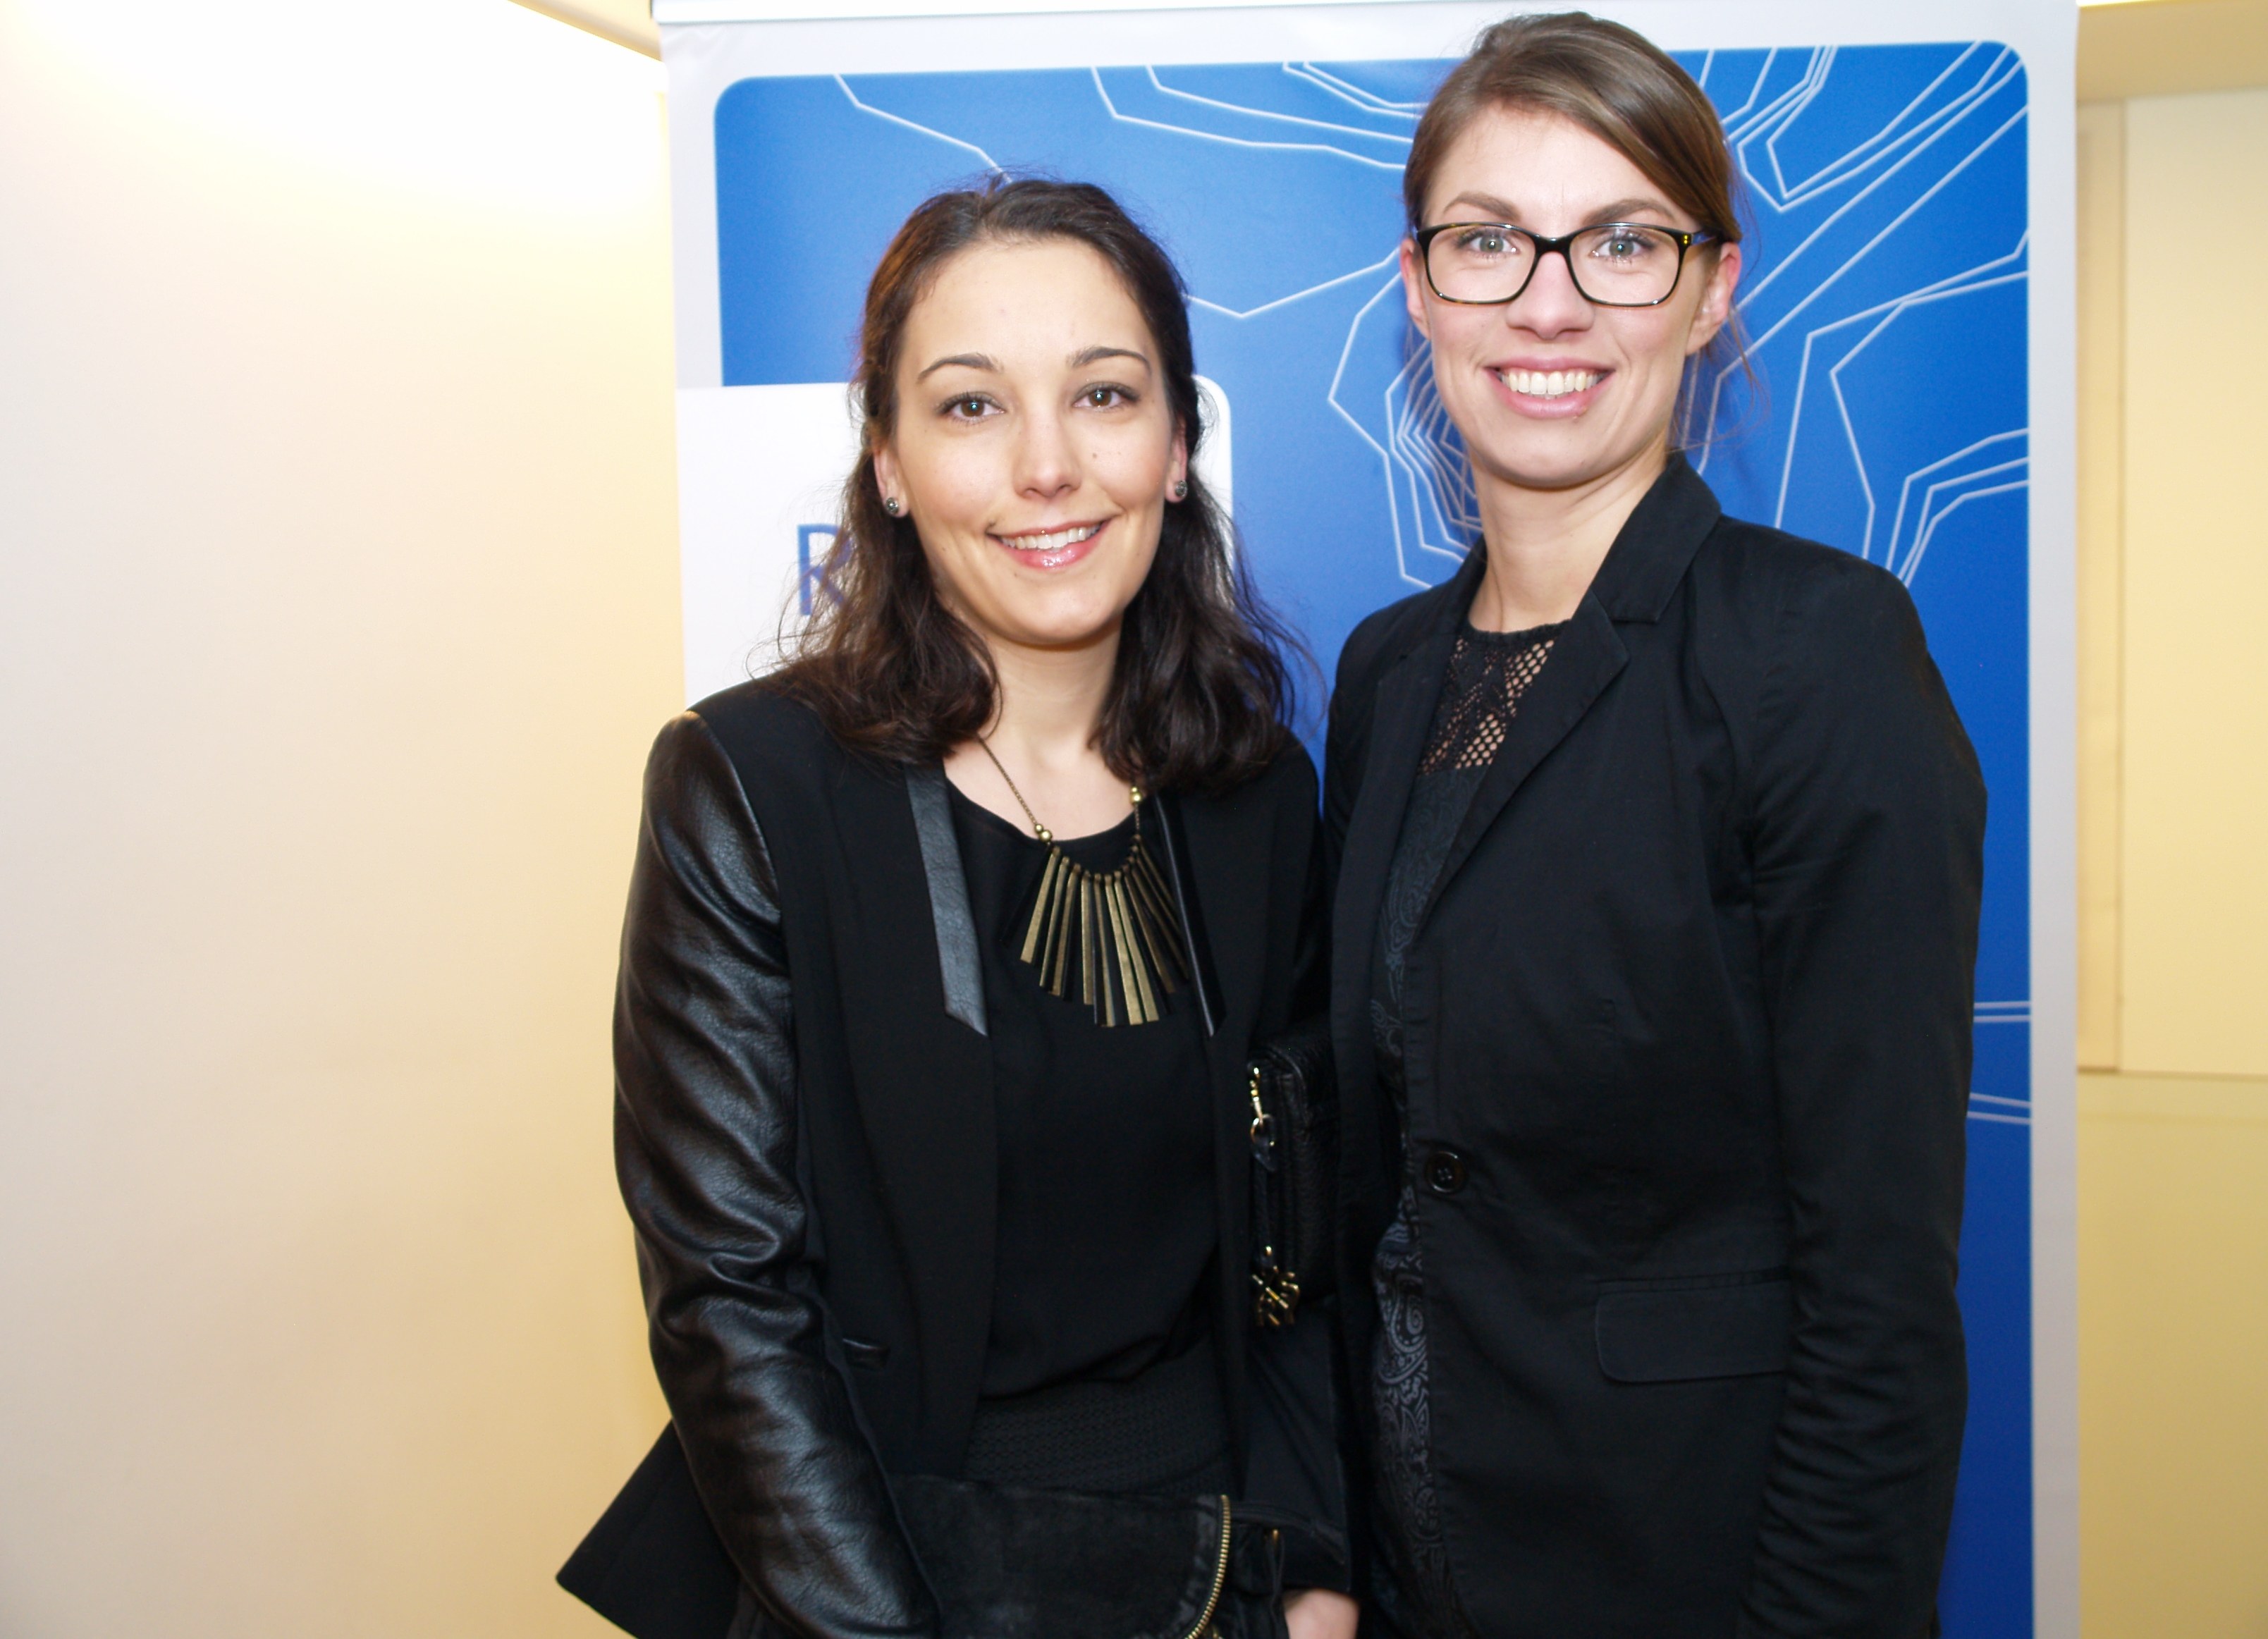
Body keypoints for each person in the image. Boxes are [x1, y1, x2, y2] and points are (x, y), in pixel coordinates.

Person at [611, 177, 1361, 1639]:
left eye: (1103, 394)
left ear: (1177, 444)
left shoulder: (1255, 792)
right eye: (970, 405)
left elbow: (1311, 1251)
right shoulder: (750, 785)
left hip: (1222, 1570)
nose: (1047, 465)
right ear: (887, 462)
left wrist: (1311, 1566)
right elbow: (728, 1300)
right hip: (886, 1568)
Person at [1324, 15, 1986, 1638]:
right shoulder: (1386, 675)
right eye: (1489, 239)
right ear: (1418, 286)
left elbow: (1878, 1293)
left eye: (1621, 242)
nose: (1548, 302)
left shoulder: (1813, 653)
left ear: (1710, 288)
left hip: (1681, 1575)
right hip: (1405, 1575)